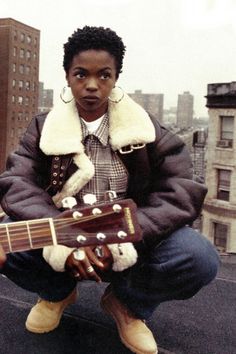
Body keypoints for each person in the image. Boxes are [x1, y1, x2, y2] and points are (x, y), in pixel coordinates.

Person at [0, 26, 219, 354]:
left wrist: (124, 235)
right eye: (80, 74)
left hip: (130, 236)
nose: (91, 85)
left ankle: (127, 305)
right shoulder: (43, 128)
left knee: (199, 257)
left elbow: (179, 189)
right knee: (6, 241)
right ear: (67, 75)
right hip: (63, 235)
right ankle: (57, 292)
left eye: (104, 75)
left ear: (116, 77)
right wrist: (64, 235)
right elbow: (17, 184)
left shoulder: (145, 128)